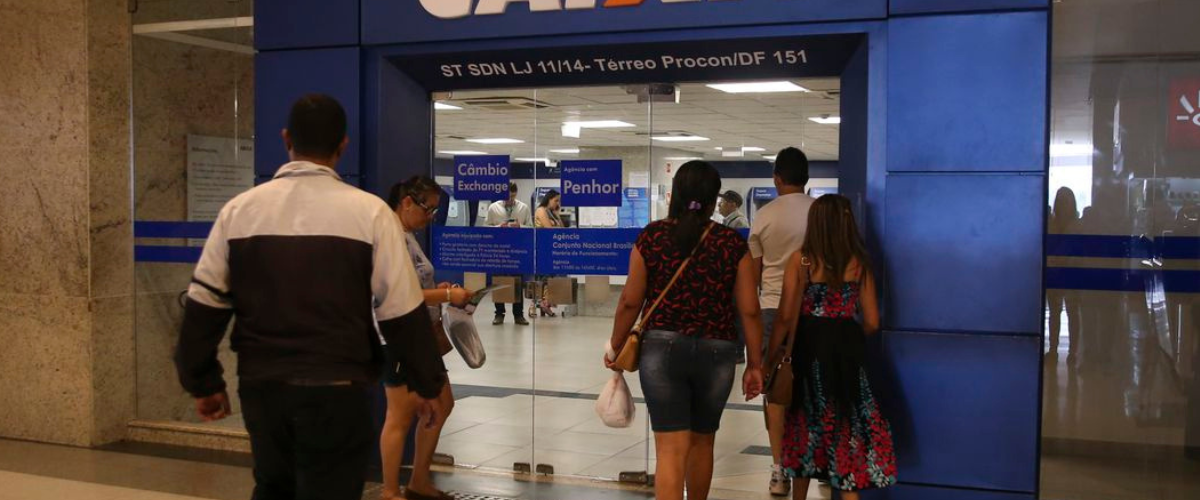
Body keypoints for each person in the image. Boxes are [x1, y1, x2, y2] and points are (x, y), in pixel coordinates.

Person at [174, 94, 445, 500]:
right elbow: (401, 311)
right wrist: (426, 383)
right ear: (343, 145)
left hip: (263, 387)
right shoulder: (370, 214)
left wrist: (203, 382)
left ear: (287, 139)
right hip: (339, 389)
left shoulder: (239, 211)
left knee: (272, 485)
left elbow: (205, 304)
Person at [605, 160, 765, 500]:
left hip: (661, 350)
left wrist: (616, 345)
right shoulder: (732, 243)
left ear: (675, 194)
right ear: (713, 200)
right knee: (703, 441)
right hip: (718, 352)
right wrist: (755, 363)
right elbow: (750, 309)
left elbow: (630, 302)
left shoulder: (651, 237)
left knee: (670, 450)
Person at [771, 194, 897, 497]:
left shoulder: (801, 259)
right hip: (845, 353)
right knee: (846, 429)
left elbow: (787, 316)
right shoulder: (858, 262)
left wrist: (768, 358)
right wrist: (845, 334)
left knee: (805, 426)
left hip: (808, 349)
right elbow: (872, 321)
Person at [380, 176, 475, 500]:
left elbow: (418, 286)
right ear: (407, 202)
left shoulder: (407, 235)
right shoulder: (390, 236)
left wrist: (443, 294)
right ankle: (391, 491)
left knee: (441, 402)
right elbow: (401, 293)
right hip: (397, 335)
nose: (431, 217)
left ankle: (419, 480)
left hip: (418, 336)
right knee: (401, 414)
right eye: (428, 209)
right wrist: (448, 293)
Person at [748, 146, 816, 496]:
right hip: (814, 311)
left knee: (776, 392)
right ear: (807, 180)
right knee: (809, 392)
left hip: (774, 309)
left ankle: (778, 470)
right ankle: (813, 466)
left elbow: (754, 274)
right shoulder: (820, 213)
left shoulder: (765, 216)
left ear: (777, 179)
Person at [486, 182, 531, 325]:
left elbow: (531, 228)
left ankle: (518, 315)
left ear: (516, 193)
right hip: (499, 250)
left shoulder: (523, 208)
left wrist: (520, 226)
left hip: (517, 250)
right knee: (498, 281)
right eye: (507, 197)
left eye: (512, 196)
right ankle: (499, 314)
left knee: (517, 281)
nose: (509, 200)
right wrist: (500, 227)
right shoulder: (493, 208)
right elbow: (485, 228)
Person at [1047, 187, 1081, 360]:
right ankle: (1053, 349)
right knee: (1055, 313)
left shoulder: (1076, 225)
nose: (1063, 205)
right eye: (1060, 201)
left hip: (1070, 274)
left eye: (1065, 201)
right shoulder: (1052, 224)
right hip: (1055, 273)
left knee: (1072, 313)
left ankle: (1072, 352)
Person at [533, 189, 563, 317]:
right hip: (542, 248)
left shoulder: (552, 212)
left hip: (552, 248)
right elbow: (549, 229)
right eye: (555, 200)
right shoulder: (540, 210)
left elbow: (561, 228)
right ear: (548, 199)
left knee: (550, 278)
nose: (557, 203)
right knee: (542, 278)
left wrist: (557, 214)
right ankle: (535, 305)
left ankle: (546, 304)